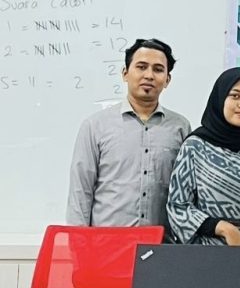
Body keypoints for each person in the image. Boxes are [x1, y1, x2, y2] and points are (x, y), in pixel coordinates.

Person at [167, 68, 240, 288]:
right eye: (235, 96)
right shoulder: (196, 146)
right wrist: (224, 228)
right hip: (209, 257)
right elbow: (177, 206)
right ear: (219, 99)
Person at [67, 37, 190, 228]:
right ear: (125, 73)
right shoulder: (96, 126)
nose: (149, 75)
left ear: (167, 80)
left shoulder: (180, 128)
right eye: (141, 67)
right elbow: (80, 191)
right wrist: (78, 239)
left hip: (160, 242)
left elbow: (185, 192)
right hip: (107, 241)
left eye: (158, 69)